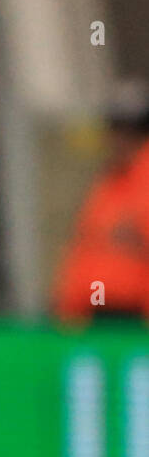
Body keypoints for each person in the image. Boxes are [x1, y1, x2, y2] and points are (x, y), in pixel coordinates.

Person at [52, 78, 149, 323]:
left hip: (136, 317)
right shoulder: (107, 184)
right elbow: (86, 248)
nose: (120, 139)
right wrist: (69, 305)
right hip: (98, 316)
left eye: (131, 130)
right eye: (117, 129)